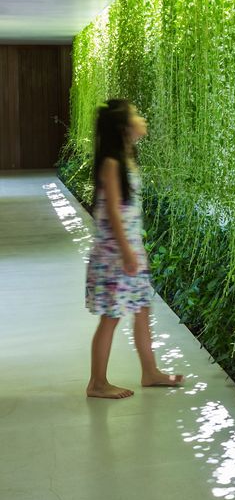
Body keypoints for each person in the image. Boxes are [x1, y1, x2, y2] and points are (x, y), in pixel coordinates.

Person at [85, 99, 184, 398]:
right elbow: (113, 213)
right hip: (115, 255)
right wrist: (128, 253)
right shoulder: (112, 164)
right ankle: (97, 383)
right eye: (136, 115)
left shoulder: (126, 159)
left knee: (142, 309)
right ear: (124, 127)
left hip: (127, 250)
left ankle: (150, 372)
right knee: (111, 316)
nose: (142, 118)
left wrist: (135, 250)